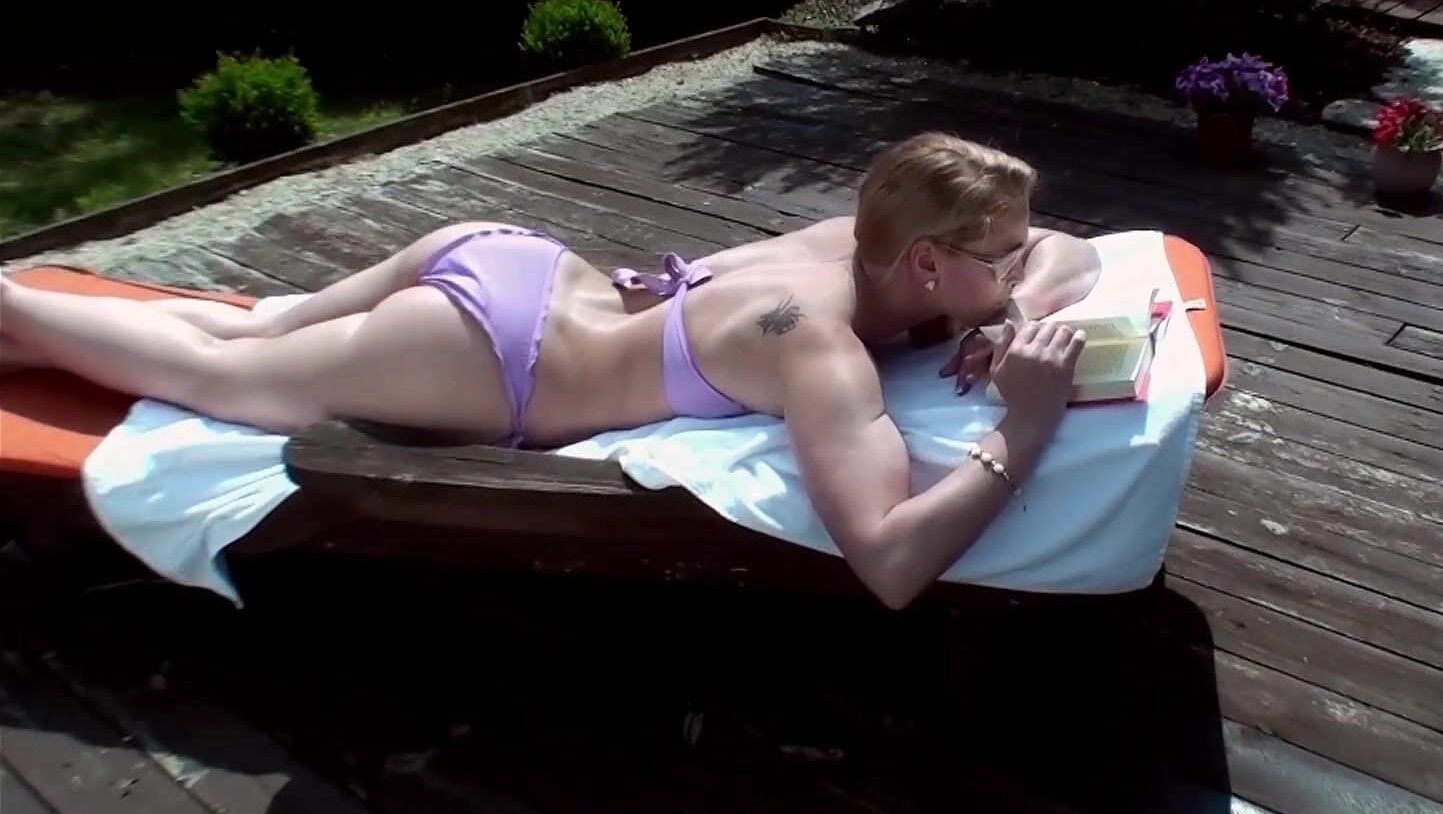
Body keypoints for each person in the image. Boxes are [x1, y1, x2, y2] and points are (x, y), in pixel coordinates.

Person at [0, 132, 1102, 608]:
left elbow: (1076, 252)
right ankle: (15, 310)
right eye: (999, 258)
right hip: (488, 355)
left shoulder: (852, 241)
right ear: (926, 263)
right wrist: (1029, 421)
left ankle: (26, 321)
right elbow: (891, 563)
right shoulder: (816, 344)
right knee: (219, 379)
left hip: (515, 260)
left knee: (243, 337)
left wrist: (1016, 304)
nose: (1022, 266)